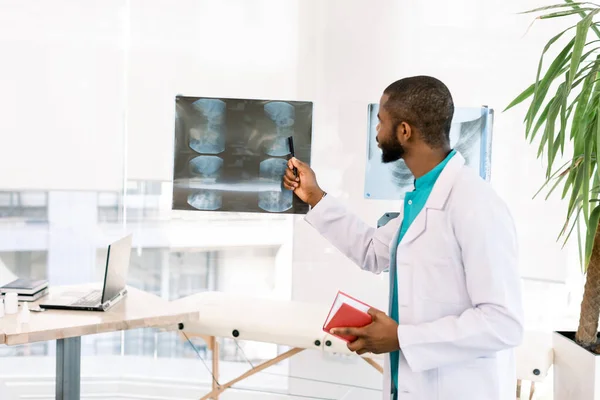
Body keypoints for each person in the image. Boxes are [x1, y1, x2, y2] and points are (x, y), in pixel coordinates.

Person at [283, 76, 524, 400]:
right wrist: (314, 196)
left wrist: (401, 337)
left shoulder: (476, 204)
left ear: (404, 131)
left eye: (381, 121)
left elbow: (503, 322)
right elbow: (371, 250)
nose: (377, 132)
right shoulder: (421, 198)